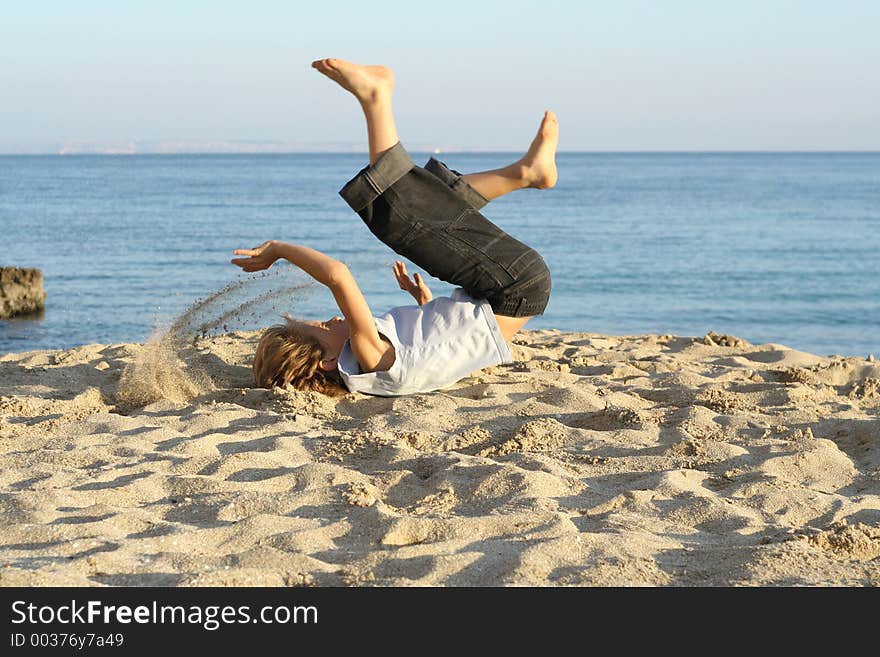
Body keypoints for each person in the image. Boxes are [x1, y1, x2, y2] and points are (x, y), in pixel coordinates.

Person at [231, 58, 558, 396]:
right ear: (327, 359)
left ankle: (525, 174)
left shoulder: (381, 373)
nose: (328, 320)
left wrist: (423, 302)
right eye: (320, 328)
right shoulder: (370, 358)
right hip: (515, 286)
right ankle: (375, 97)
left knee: (431, 201)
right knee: (398, 217)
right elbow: (338, 276)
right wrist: (280, 250)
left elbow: (436, 351)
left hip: (499, 295)